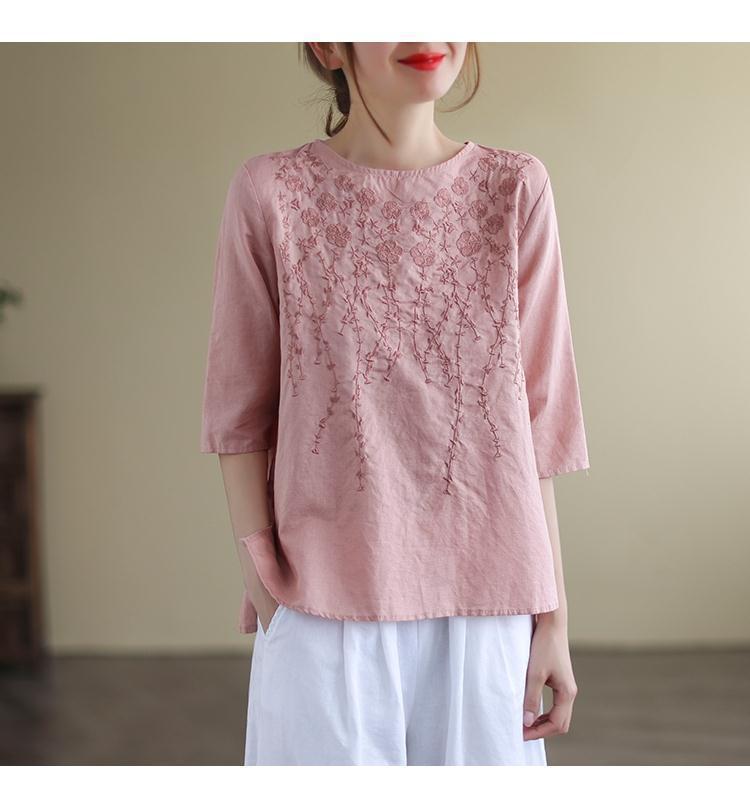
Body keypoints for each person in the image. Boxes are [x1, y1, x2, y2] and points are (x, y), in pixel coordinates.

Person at [200, 42, 590, 766]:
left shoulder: (515, 188)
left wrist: (554, 618)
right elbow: (238, 405)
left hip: (490, 604)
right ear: (327, 42)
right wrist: (260, 567)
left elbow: (538, 425)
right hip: (323, 596)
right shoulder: (271, 193)